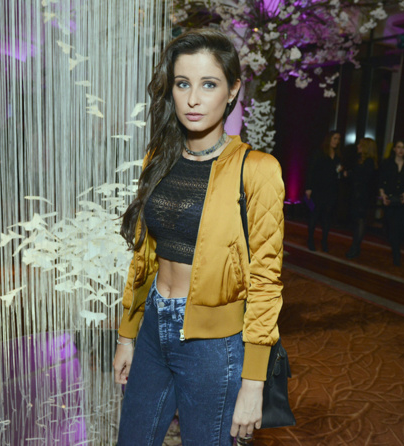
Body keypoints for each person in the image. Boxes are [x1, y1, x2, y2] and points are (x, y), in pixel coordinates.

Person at [113, 28, 285, 446]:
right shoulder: (159, 158)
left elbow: (265, 279)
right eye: (182, 83)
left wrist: (253, 383)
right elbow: (144, 254)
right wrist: (127, 334)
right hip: (153, 325)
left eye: (209, 84)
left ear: (232, 90)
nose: (193, 99)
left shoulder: (257, 169)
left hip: (214, 345)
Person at [379, 140, 404, 266]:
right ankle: (396, 254)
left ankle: (396, 248)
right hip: (390, 200)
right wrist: (383, 195)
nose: (401, 150)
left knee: (402, 228)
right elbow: (380, 181)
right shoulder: (387, 164)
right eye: (398, 147)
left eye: (403, 147)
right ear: (394, 149)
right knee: (392, 227)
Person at [305, 130, 343, 252]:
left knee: (327, 217)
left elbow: (336, 172)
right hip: (318, 189)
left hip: (331, 190)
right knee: (314, 215)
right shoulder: (319, 153)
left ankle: (324, 241)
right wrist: (309, 188)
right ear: (329, 139)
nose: (336, 141)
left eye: (338, 139)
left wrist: (340, 171)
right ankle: (310, 240)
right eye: (335, 138)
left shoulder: (337, 155)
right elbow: (311, 170)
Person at [345, 137, 378, 259]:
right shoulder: (361, 160)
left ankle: (355, 247)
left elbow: (363, 179)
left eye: (360, 145)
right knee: (357, 221)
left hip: (362, 197)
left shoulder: (369, 162)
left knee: (360, 221)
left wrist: (350, 174)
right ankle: (355, 247)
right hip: (358, 195)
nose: (358, 146)